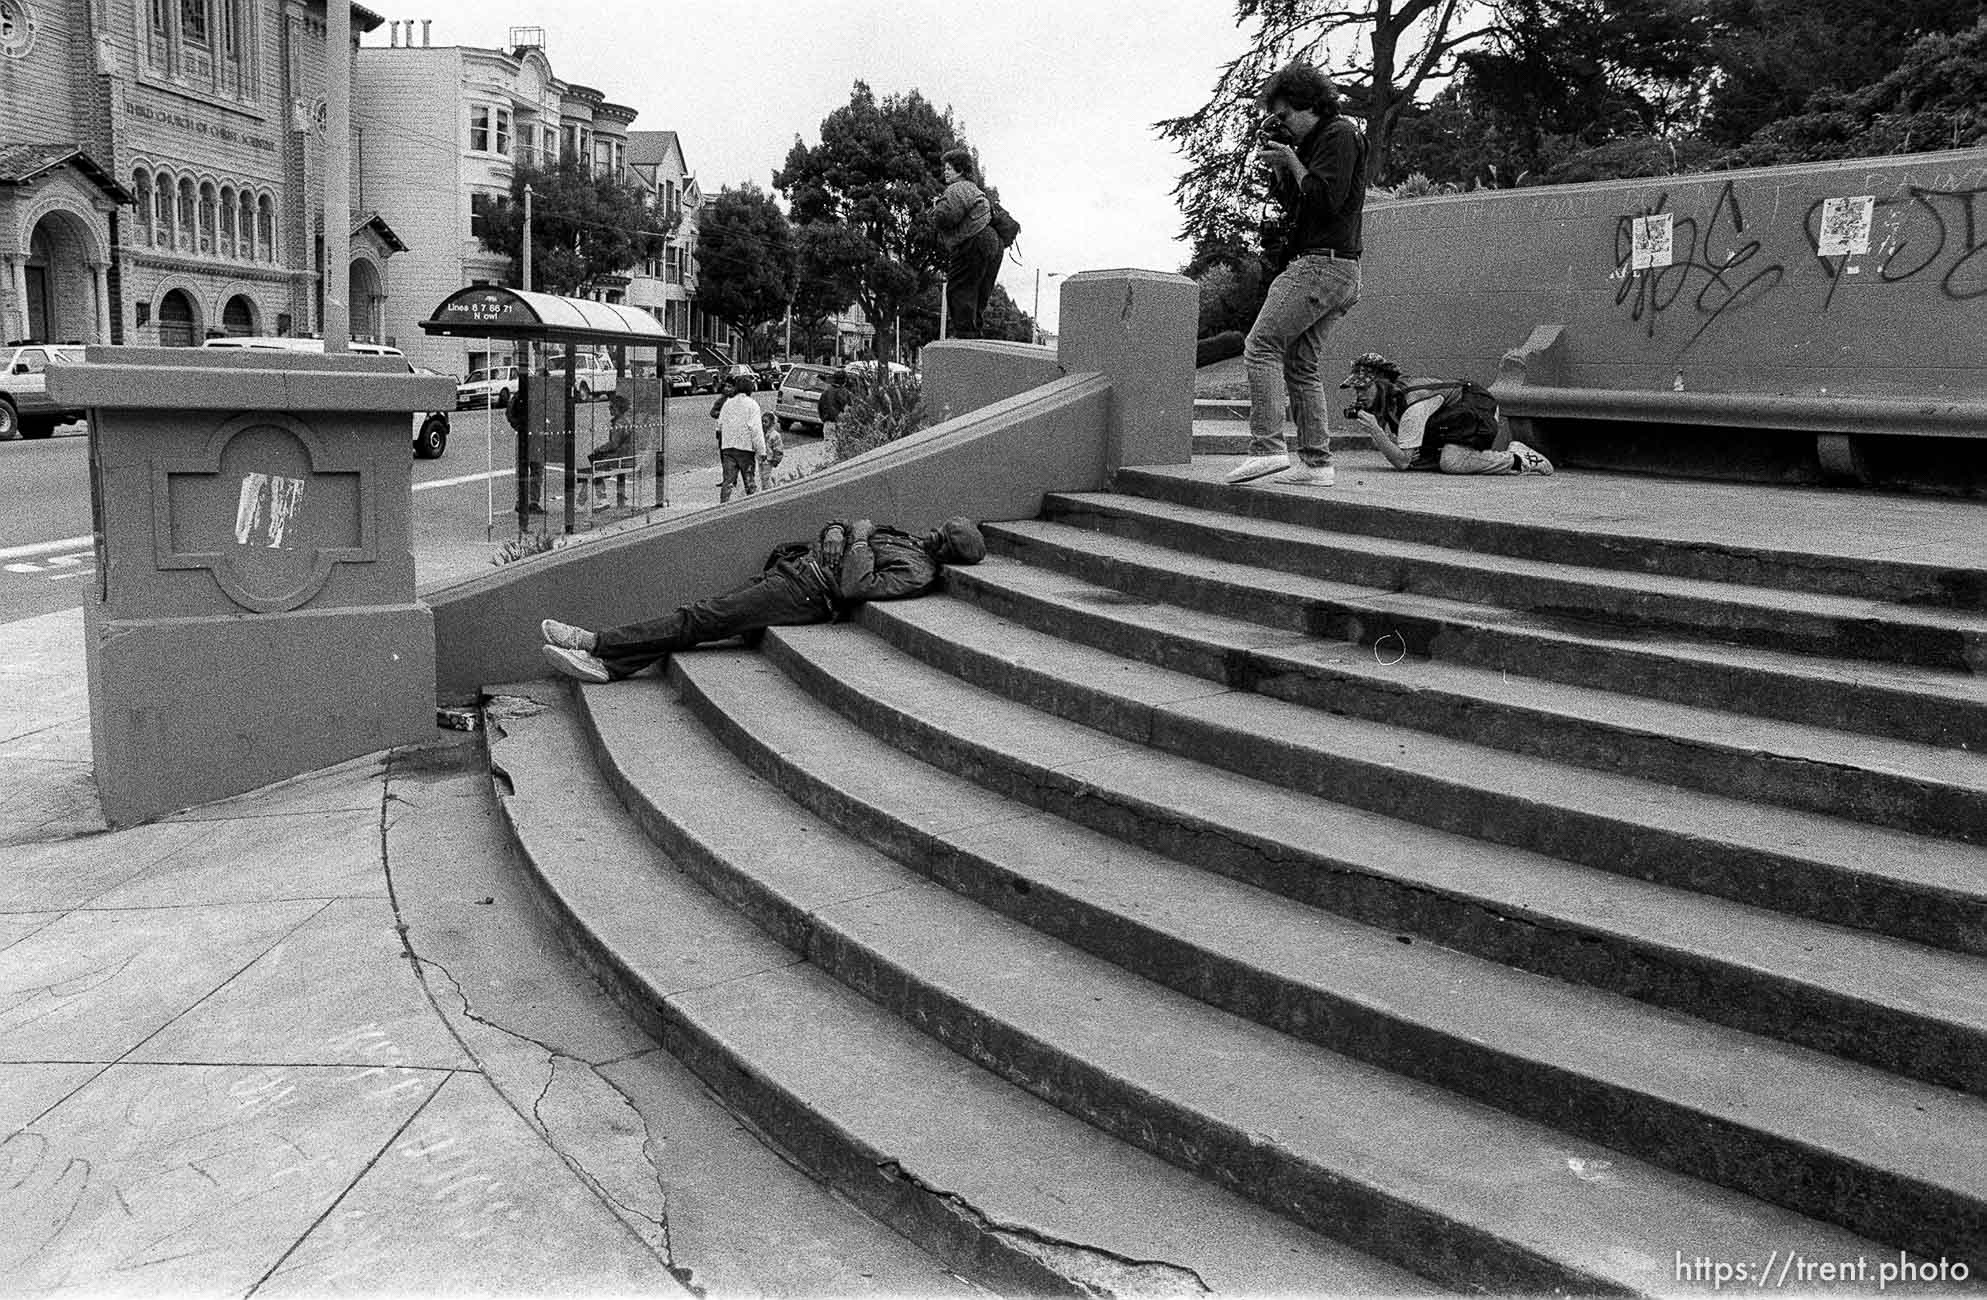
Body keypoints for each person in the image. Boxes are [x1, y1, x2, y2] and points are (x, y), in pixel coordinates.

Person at [539, 516, 989, 683]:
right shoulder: (908, 541)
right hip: (793, 571)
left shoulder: (917, 572)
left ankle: (596, 643)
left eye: (944, 536)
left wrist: (862, 534)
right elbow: (843, 527)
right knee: (704, 621)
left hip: (805, 594)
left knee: (700, 616)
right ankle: (613, 666)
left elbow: (856, 585)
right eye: (943, 526)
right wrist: (838, 528)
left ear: (949, 552)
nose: (935, 532)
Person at [1225, 60, 1370, 490]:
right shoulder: (1315, 144)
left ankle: (1268, 449)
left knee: (1261, 344)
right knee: (1301, 363)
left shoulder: (1340, 134)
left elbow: (1326, 200)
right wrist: (1281, 166)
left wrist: (1291, 158)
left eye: (1286, 115)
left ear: (1310, 105)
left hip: (1322, 264)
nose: (1282, 124)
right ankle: (1316, 464)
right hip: (1335, 268)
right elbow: (1299, 206)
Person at [1340, 352, 1554, 476]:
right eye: (1357, 389)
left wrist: (1375, 430)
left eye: (1364, 388)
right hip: (1455, 415)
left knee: (1450, 461)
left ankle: (1518, 459)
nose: (1359, 395)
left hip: (1478, 405)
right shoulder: (1391, 401)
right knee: (1421, 458)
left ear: (1382, 385)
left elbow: (1402, 462)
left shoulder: (1412, 405)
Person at [929, 148, 1003, 340]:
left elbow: (945, 217)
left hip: (974, 241)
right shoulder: (976, 190)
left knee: (959, 289)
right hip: (994, 242)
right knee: (978, 293)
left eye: (949, 168)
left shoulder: (957, 188)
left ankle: (964, 339)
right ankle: (973, 334)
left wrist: (936, 207)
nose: (945, 172)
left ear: (960, 170)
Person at [712, 376, 768, 502]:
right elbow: (756, 430)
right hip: (745, 448)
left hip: (728, 447)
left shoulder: (727, 403)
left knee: (728, 481)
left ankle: (723, 505)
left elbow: (720, 425)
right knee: (749, 480)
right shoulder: (752, 405)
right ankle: (752, 504)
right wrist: (761, 451)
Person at [817, 368, 853, 443]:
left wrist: (824, 418)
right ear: (844, 381)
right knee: (840, 444)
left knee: (828, 444)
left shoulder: (826, 391)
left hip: (828, 422)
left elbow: (820, 406)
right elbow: (849, 408)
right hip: (841, 423)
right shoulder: (845, 392)